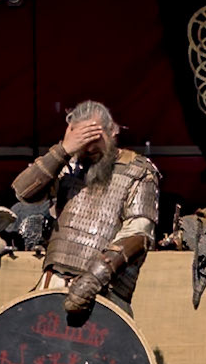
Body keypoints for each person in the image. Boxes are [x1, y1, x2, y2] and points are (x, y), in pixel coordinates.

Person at [11, 99, 160, 318]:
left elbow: (139, 235)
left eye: (95, 138)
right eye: (83, 140)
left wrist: (94, 278)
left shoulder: (138, 170)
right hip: (54, 284)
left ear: (112, 131)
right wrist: (63, 150)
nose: (88, 147)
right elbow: (23, 192)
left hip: (106, 291)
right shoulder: (67, 165)